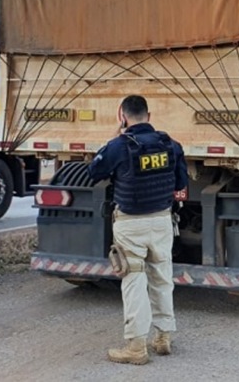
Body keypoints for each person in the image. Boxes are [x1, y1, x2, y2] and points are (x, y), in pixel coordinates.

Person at [88, 95, 187, 365]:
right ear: (149, 115)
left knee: (133, 280)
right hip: (162, 221)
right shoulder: (170, 144)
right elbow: (180, 181)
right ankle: (163, 337)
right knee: (162, 277)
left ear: (123, 116)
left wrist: (112, 136)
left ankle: (135, 347)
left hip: (131, 224)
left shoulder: (119, 146)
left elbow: (93, 171)